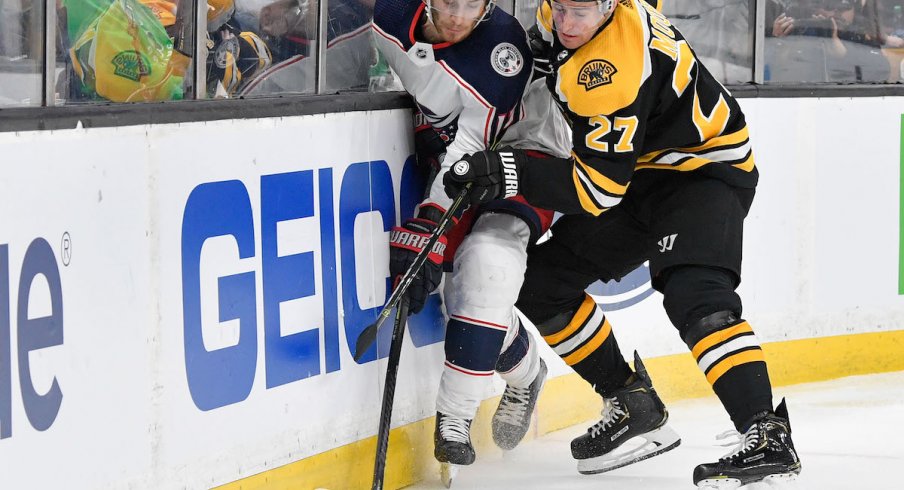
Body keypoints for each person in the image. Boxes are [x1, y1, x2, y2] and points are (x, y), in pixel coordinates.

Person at [443, 0, 802, 487]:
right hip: (641, 173)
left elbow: (597, 190)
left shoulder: (611, 66)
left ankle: (766, 431)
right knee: (543, 284)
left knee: (696, 295)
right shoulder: (569, 14)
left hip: (703, 171)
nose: (567, 23)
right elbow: (538, 58)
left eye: (581, 14)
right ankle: (631, 401)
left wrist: (512, 170)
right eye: (561, 9)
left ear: (611, 7)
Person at [372, 0, 570, 479]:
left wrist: (429, 222)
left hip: (526, 155)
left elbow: (472, 147)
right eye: (448, 2)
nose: (458, 15)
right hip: (459, 158)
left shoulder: (503, 50)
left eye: (472, 4)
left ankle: (455, 420)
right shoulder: (390, 16)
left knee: (488, 264)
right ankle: (526, 374)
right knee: (458, 293)